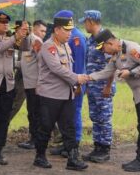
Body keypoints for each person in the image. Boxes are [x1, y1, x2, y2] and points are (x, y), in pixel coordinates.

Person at [87, 29, 140, 172]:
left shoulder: (131, 48)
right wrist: (89, 77)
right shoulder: (115, 55)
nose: (104, 51)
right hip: (139, 92)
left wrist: (131, 72)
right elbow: (107, 72)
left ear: (110, 43)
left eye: (103, 48)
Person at [33, 10, 88, 171]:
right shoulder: (48, 46)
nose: (70, 34)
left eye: (71, 30)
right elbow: (57, 68)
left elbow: (68, 66)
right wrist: (76, 78)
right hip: (50, 95)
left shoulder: (64, 45)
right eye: (67, 30)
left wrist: (75, 85)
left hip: (66, 94)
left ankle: (73, 158)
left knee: (69, 126)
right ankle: (40, 156)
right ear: (57, 30)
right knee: (46, 126)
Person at [79, 10, 116, 163]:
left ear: (91, 21)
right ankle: (97, 148)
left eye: (85, 22)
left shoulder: (106, 38)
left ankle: (105, 149)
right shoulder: (90, 40)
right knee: (95, 117)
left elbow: (113, 64)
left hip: (103, 87)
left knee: (104, 118)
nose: (84, 25)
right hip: (92, 86)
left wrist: (108, 85)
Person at [50, 26, 87, 157]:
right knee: (65, 116)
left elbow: (79, 64)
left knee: (74, 113)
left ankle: (74, 145)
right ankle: (67, 144)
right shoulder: (65, 38)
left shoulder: (76, 37)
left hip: (75, 83)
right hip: (67, 83)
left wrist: (77, 84)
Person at [0, 10, 27, 165]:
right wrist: (15, 36)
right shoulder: (7, 40)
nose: (5, 24)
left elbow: (14, 59)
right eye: (2, 21)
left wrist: (23, 33)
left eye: (7, 22)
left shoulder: (9, 38)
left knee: (4, 119)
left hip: (7, 84)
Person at [18, 20, 47, 150]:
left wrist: (39, 84)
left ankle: (35, 140)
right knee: (32, 112)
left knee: (35, 113)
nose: (44, 34)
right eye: (42, 30)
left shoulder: (36, 41)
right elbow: (25, 62)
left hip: (35, 85)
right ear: (34, 29)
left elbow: (43, 63)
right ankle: (34, 138)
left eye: (45, 31)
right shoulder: (26, 40)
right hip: (28, 83)